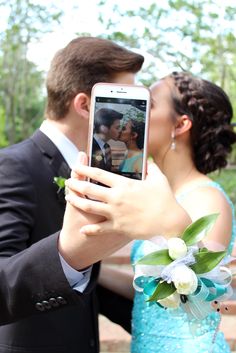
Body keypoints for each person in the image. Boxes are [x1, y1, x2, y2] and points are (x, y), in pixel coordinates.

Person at [65, 71, 236, 353]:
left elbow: (204, 296)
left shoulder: (207, 197)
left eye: (150, 104)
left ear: (181, 125)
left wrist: (171, 224)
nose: (134, 117)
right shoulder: (164, 195)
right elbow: (151, 294)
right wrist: (82, 262)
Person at [0, 36, 147, 352]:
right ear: (84, 105)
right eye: (124, 106)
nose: (134, 120)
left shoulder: (97, 171)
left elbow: (86, 284)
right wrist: (69, 253)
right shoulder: (12, 165)